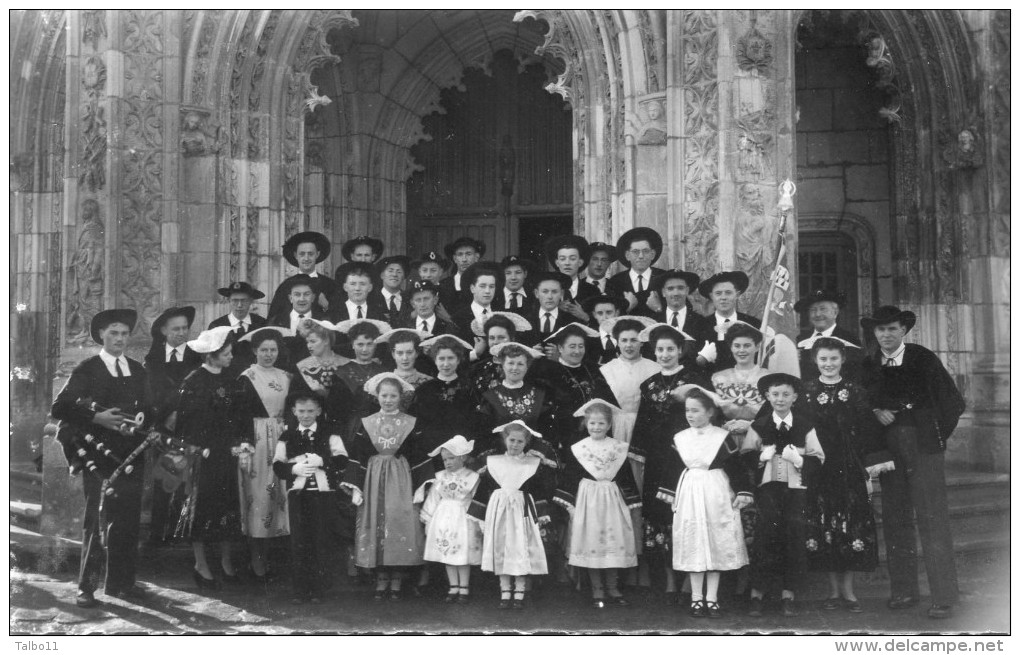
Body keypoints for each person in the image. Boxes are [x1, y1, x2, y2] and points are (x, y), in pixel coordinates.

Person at [858, 305, 965, 620]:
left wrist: (932, 437)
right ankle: (903, 591)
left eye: (892, 329)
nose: (886, 335)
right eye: (880, 330)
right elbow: (862, 404)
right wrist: (876, 413)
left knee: (932, 517)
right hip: (889, 450)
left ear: (903, 330)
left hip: (923, 446)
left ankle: (944, 596)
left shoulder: (922, 358)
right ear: (874, 333)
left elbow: (952, 403)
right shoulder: (868, 364)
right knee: (895, 518)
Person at [52, 309, 151, 608]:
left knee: (127, 518)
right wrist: (97, 418)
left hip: (130, 451)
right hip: (98, 452)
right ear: (102, 337)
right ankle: (87, 587)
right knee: (96, 518)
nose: (119, 339)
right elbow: (61, 407)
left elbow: (148, 407)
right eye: (113, 334)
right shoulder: (88, 368)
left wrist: (139, 421)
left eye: (124, 334)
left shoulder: (137, 369)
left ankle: (121, 584)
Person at [799, 337, 884, 613]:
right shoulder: (807, 391)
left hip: (847, 465)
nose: (828, 364)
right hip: (818, 465)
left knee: (849, 524)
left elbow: (867, 428)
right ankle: (833, 592)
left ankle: (849, 592)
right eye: (823, 359)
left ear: (843, 359)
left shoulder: (855, 391)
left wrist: (864, 460)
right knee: (824, 524)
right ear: (815, 360)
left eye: (833, 358)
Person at [629, 323, 710, 604]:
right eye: (660, 349)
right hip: (657, 456)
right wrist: (638, 455)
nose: (665, 354)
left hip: (686, 456)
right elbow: (641, 423)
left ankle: (690, 576)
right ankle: (669, 579)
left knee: (686, 512)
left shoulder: (693, 379)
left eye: (670, 349)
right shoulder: (648, 384)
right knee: (659, 512)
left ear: (680, 351)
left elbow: (706, 416)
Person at [661, 387, 751, 619]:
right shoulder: (680, 438)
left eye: (696, 411)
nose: (690, 415)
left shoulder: (721, 436)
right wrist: (669, 491)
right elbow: (673, 468)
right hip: (690, 490)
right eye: (687, 410)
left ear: (710, 412)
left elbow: (735, 466)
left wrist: (742, 490)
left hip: (715, 491)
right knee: (695, 542)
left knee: (715, 542)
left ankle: (712, 598)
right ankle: (696, 599)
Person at [741, 373, 825, 617]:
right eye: (775, 394)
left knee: (793, 538)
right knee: (765, 538)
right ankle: (757, 594)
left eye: (786, 394)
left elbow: (818, 458)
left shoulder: (804, 425)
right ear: (767, 396)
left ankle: (788, 594)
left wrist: (799, 459)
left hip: (795, 490)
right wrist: (760, 457)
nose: (780, 399)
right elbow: (746, 453)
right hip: (768, 491)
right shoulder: (759, 425)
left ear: (795, 397)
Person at [343, 373, 430, 600]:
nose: (388, 400)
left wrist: (421, 485)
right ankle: (381, 578)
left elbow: (418, 454)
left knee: (398, 522)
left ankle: (397, 578)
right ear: (377, 396)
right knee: (376, 522)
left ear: (401, 397)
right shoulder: (367, 422)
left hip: (401, 478)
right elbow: (358, 455)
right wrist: (356, 486)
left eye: (393, 395)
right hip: (373, 478)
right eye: (384, 395)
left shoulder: (411, 422)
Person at [174, 326, 244, 589]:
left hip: (226, 452)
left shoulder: (231, 379)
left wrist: (237, 443)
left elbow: (237, 416)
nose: (230, 357)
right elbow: (184, 422)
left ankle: (226, 562)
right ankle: (201, 564)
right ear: (211, 355)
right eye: (225, 353)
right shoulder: (193, 381)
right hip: (203, 454)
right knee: (201, 507)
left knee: (227, 507)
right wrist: (196, 448)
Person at [554, 400, 640, 608]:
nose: (596, 427)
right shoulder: (579, 448)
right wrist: (570, 504)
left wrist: (632, 501)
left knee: (612, 542)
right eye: (592, 423)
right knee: (592, 542)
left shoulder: (618, 448)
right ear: (586, 423)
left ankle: (612, 586)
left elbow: (625, 476)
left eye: (601, 423)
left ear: (609, 425)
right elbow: (570, 477)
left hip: (612, 499)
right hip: (588, 500)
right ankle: (597, 589)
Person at [273, 392, 354, 604]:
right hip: (298, 497)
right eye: (301, 411)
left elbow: (342, 460)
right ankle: (301, 590)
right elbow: (278, 465)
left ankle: (319, 589)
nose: (306, 415)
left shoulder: (330, 433)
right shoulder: (287, 435)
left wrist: (324, 461)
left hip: (323, 496)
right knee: (299, 541)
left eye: (310, 411)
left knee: (321, 539)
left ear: (318, 411)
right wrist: (294, 468)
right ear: (293, 412)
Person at [469, 421, 553, 609]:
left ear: (526, 443)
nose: (515, 445)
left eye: (520, 442)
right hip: (499, 512)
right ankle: (505, 590)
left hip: (521, 513)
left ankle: (520, 591)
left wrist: (541, 515)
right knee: (502, 548)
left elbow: (538, 491)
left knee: (520, 548)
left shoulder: (532, 464)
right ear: (504, 439)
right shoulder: (494, 462)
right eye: (512, 440)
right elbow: (484, 490)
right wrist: (480, 516)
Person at [234, 328, 293, 580]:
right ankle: (257, 559)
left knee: (281, 496)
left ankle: (278, 558)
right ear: (254, 351)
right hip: (257, 440)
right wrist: (245, 445)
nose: (269, 354)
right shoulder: (247, 377)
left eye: (273, 350)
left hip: (281, 437)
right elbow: (239, 416)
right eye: (264, 350)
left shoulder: (286, 376)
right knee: (259, 496)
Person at [144, 306, 201, 545]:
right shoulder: (152, 359)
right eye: (175, 328)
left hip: (187, 426)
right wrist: (159, 420)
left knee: (185, 480)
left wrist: (183, 414)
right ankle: (157, 534)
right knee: (162, 480)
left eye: (185, 328)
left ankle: (179, 533)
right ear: (164, 331)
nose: (181, 333)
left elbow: (199, 391)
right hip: (162, 429)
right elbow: (148, 395)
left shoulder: (196, 357)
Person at [531, 323, 619, 459]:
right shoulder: (548, 372)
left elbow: (608, 401)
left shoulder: (592, 370)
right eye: (572, 346)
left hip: (595, 434)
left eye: (581, 346)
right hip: (563, 438)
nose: (577, 351)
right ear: (560, 348)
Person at [418, 435, 483, 604]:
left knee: (462, 553)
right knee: (447, 552)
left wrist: (479, 520)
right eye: (445, 459)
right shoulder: (439, 476)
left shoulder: (473, 477)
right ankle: (453, 586)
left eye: (452, 458)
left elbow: (477, 499)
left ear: (463, 457)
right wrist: (428, 518)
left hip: (463, 517)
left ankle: (464, 587)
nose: (448, 462)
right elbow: (433, 497)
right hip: (443, 518)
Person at [694, 272, 762, 374]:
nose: (723, 297)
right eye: (718, 293)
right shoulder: (700, 325)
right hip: (710, 383)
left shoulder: (753, 324)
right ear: (711, 296)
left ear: (737, 295)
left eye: (728, 292)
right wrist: (701, 359)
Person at [711, 322, 770, 438]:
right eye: (737, 346)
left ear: (757, 347)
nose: (741, 350)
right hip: (724, 439)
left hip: (759, 438)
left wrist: (752, 425)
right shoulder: (718, 378)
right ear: (731, 347)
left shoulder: (769, 378)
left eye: (747, 345)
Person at [267, 231, 339, 319]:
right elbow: (274, 317)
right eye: (302, 254)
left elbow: (339, 318)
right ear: (295, 255)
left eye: (310, 254)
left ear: (317, 254)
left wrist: (326, 305)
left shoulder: (330, 285)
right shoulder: (286, 286)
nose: (306, 258)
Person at [794, 289, 862, 381]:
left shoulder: (849, 339)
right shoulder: (800, 340)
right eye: (813, 310)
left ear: (835, 312)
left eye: (823, 309)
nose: (817, 314)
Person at [649, 268, 708, 368]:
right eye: (670, 289)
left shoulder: (701, 322)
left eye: (680, 288)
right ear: (663, 292)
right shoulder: (653, 322)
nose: (676, 293)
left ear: (687, 290)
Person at [208, 281, 268, 377]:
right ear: (229, 301)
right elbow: (212, 359)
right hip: (224, 379)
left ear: (251, 301)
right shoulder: (217, 326)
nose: (239, 305)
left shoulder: (261, 324)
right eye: (235, 300)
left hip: (256, 379)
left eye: (244, 300)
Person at [266, 275, 327, 368]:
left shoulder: (323, 322)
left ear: (313, 298)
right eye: (297, 294)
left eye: (306, 294)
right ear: (290, 298)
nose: (302, 299)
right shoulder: (276, 322)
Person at [334, 319, 390, 419]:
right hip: (351, 426)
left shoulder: (384, 372)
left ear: (375, 344)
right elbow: (337, 410)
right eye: (360, 344)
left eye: (369, 344)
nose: (364, 349)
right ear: (352, 345)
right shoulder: (341, 373)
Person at [606, 227, 666, 318]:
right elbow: (609, 318)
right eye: (635, 252)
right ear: (627, 255)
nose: (641, 256)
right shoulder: (615, 282)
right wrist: (627, 307)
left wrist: (659, 309)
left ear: (652, 254)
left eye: (645, 251)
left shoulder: (665, 278)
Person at [468, 312, 532, 393]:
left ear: (512, 339)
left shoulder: (524, 367)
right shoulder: (478, 368)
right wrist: (476, 353)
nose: (495, 342)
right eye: (492, 338)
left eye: (501, 337)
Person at [377, 328, 433, 410]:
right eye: (399, 353)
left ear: (417, 353)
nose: (405, 358)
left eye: (409, 352)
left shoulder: (428, 382)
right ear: (393, 354)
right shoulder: (381, 382)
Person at [449, 261, 502, 345]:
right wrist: (475, 354)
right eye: (482, 286)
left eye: (491, 286)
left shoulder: (501, 315)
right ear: (472, 288)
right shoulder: (458, 319)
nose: (487, 291)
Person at [545, 234, 596, 318]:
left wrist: (585, 317)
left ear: (580, 262)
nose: (567, 263)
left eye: (572, 259)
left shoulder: (592, 291)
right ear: (557, 263)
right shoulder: (545, 290)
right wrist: (555, 308)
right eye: (562, 259)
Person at [439, 236, 485, 312]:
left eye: (468, 254)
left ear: (476, 257)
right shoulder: (444, 285)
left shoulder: (485, 283)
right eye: (460, 254)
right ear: (455, 259)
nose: (464, 259)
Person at [581, 294, 628, 365]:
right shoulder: (587, 338)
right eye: (600, 313)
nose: (604, 317)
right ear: (594, 315)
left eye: (609, 312)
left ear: (617, 313)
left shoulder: (628, 335)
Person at [528, 271, 573, 345]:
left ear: (561, 294)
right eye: (545, 292)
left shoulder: (570, 321)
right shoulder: (527, 319)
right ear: (536, 293)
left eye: (554, 292)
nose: (550, 297)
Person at [372, 255, 413, 327]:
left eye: (399, 272)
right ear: (382, 275)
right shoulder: (372, 298)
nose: (394, 274)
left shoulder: (410, 299)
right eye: (390, 271)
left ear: (404, 277)